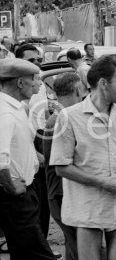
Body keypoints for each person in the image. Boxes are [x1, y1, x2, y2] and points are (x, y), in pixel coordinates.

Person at [51, 56, 116, 260]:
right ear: (103, 83)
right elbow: (61, 167)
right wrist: (104, 183)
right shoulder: (69, 117)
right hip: (89, 209)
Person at [0, 58, 57, 260]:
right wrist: (11, 187)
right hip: (17, 197)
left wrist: (35, 157)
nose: (37, 83)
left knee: (22, 253)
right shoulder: (5, 112)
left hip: (26, 189)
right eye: (34, 79)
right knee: (39, 254)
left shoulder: (17, 107)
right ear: (20, 83)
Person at [43, 73, 82, 260]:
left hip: (59, 192)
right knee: (80, 245)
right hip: (62, 193)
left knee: (74, 244)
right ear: (78, 89)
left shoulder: (59, 117)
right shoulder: (62, 119)